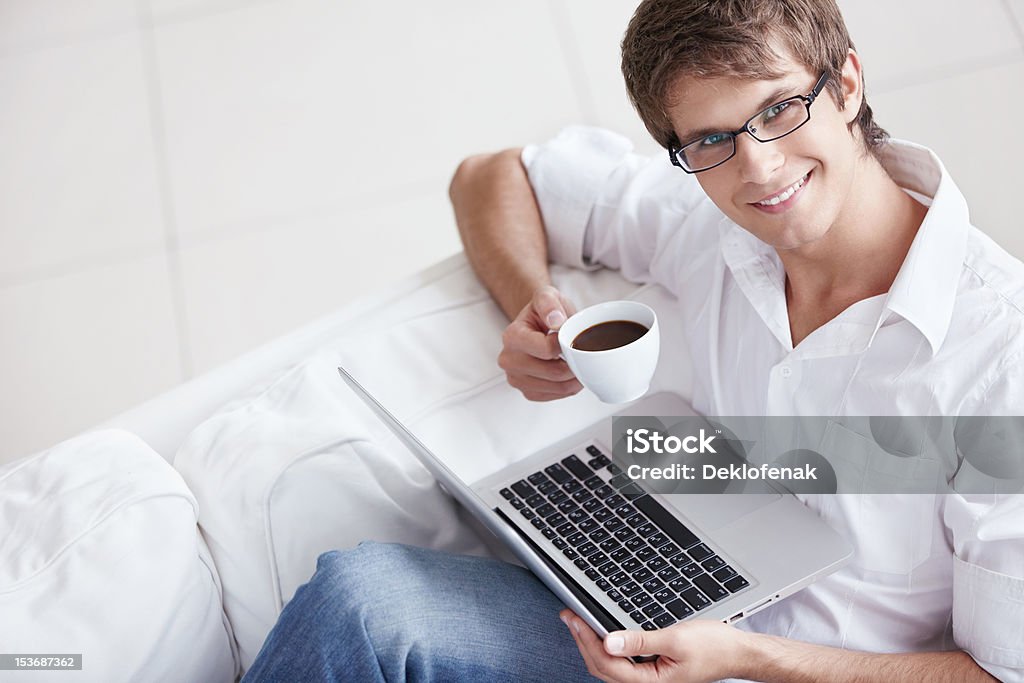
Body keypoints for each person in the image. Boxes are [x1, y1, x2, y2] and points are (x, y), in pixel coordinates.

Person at [242, 1, 1024, 681]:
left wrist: (746, 657)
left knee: (367, 612)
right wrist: (534, 307)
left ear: (847, 82)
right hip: (672, 582)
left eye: (781, 109)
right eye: (712, 140)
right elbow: (491, 177)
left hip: (783, 669)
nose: (759, 167)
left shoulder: (998, 357)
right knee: (358, 588)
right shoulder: (710, 228)